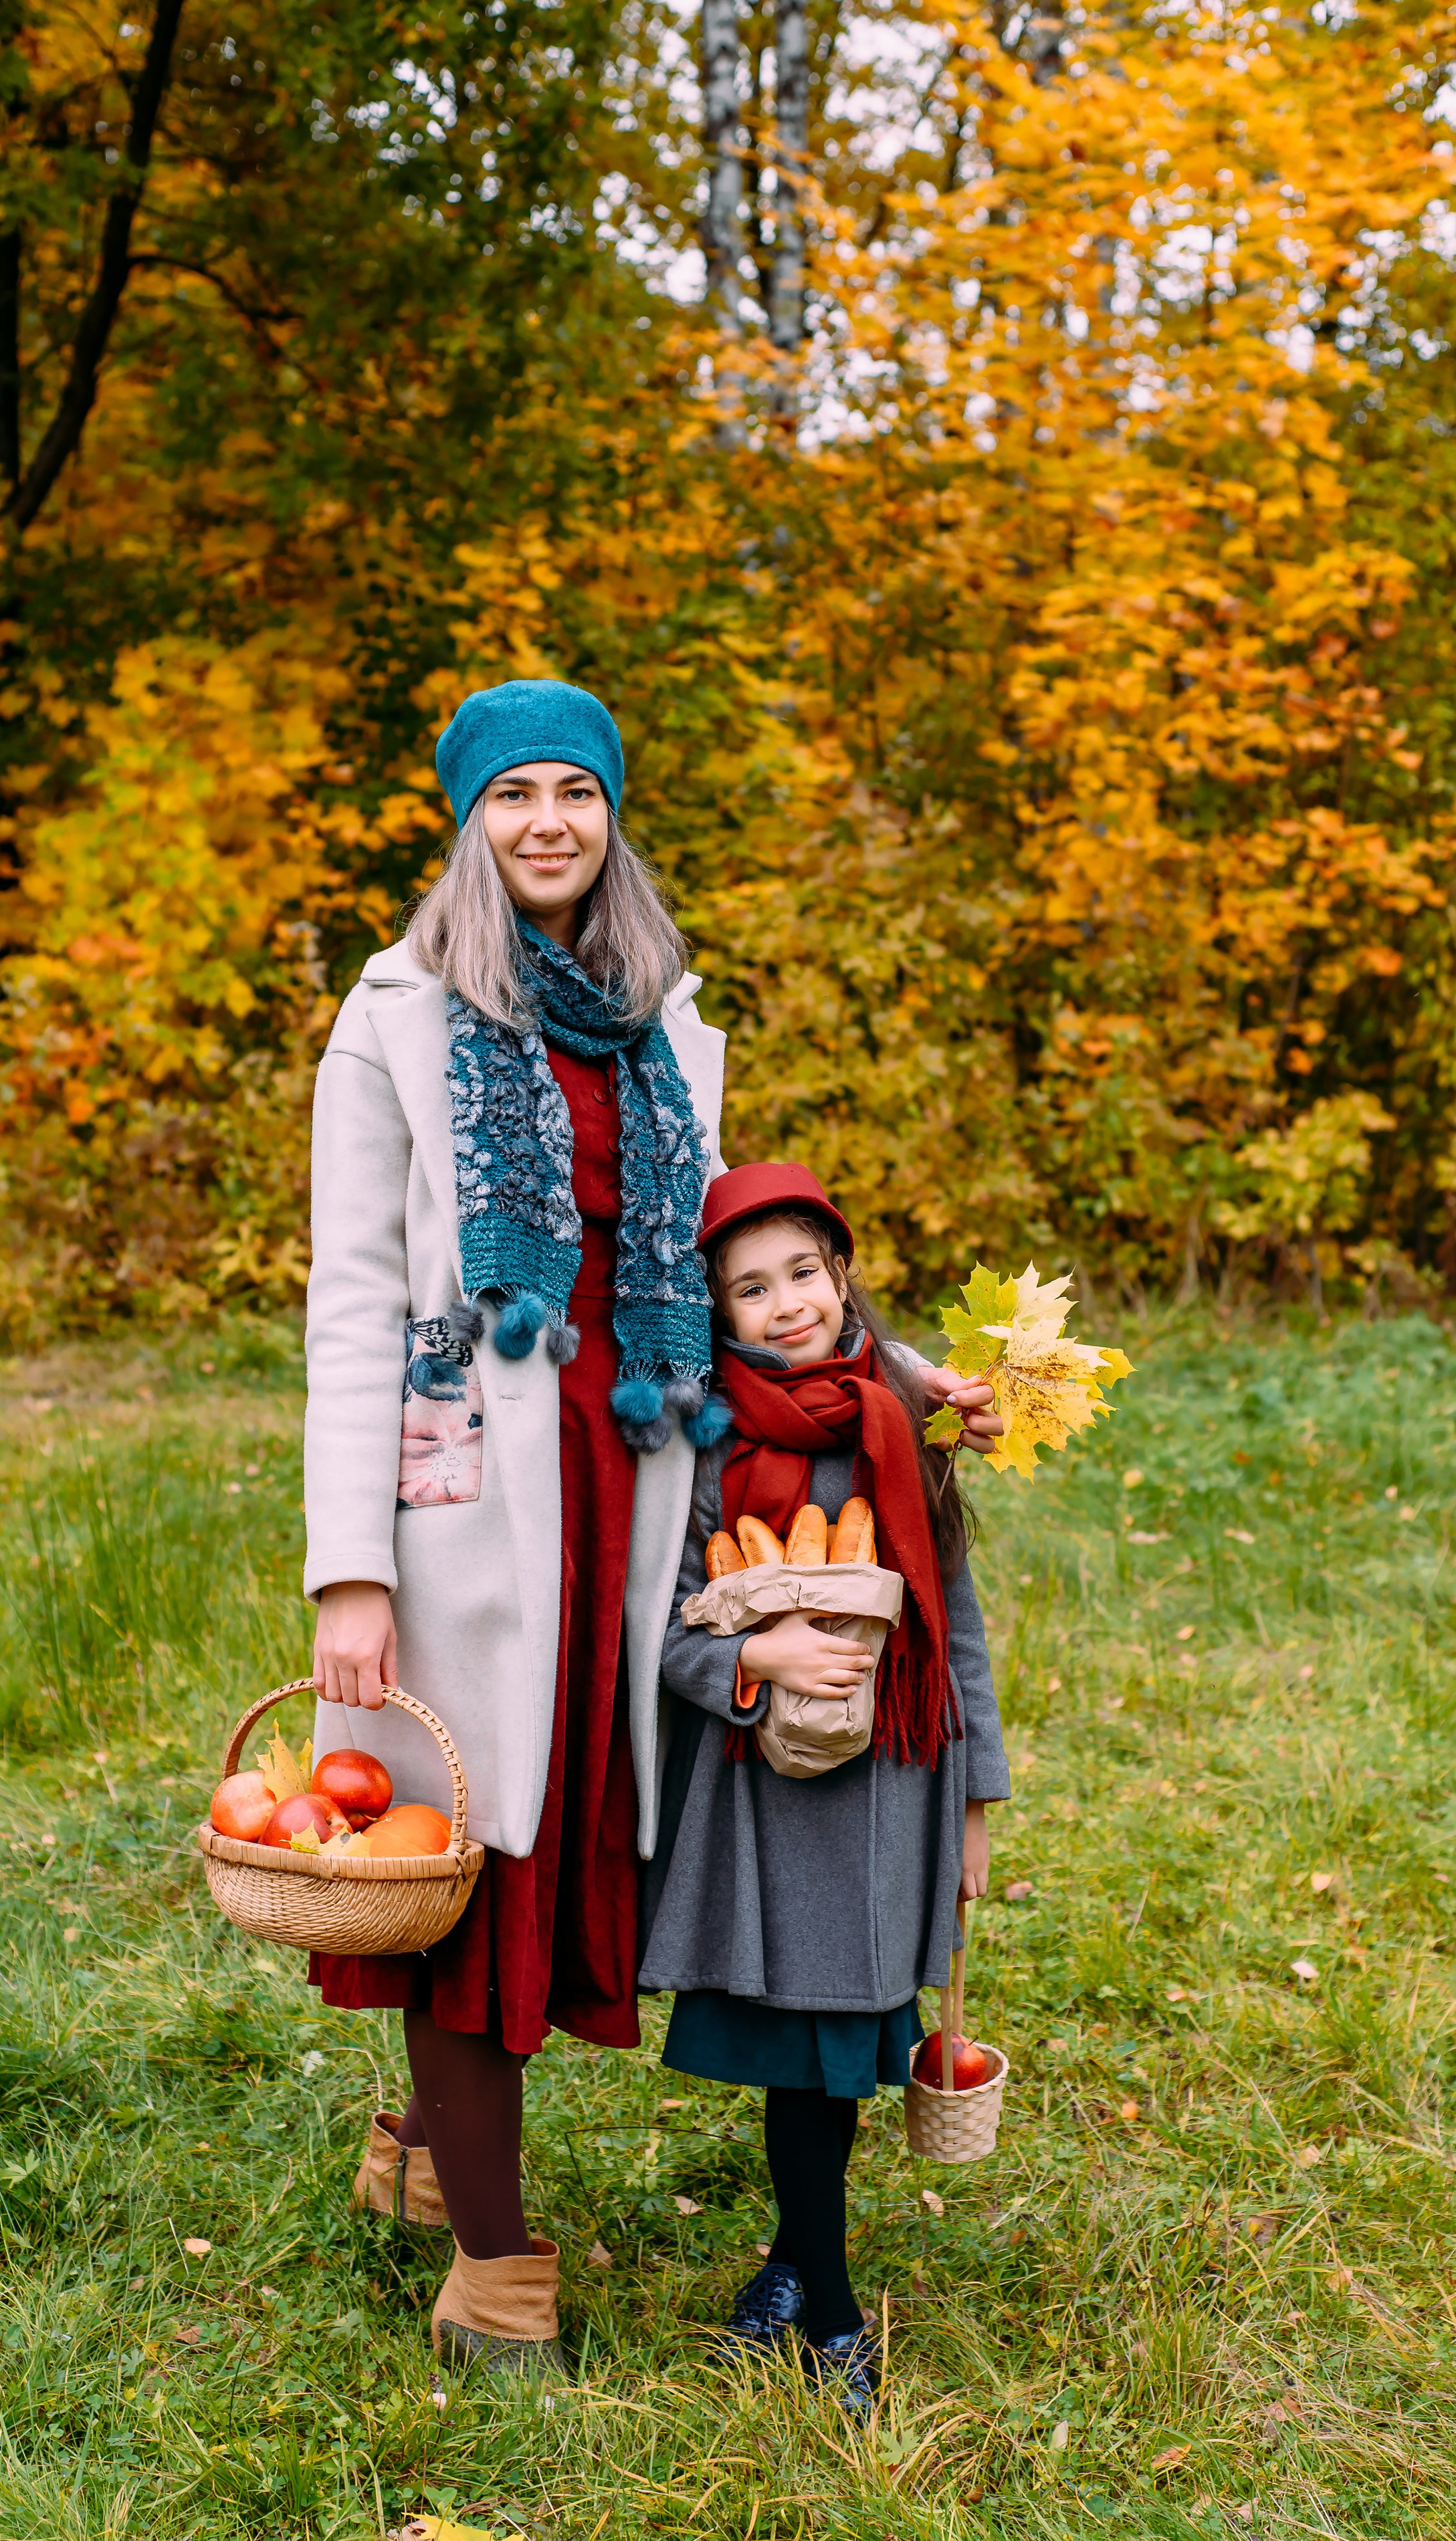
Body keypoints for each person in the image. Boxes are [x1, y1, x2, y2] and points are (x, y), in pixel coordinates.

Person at [302, 680, 1000, 2378]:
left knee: (595, 1831)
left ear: (611, 815)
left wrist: (892, 1371)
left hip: (649, 1481)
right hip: (471, 1499)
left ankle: (422, 2144)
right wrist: (351, 1568)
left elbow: (718, 1252)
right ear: (467, 820)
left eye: (577, 790)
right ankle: (495, 2267)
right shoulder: (392, 1018)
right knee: (471, 1858)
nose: (547, 819)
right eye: (512, 793)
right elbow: (355, 1300)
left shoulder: (664, 1021)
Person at [638, 1162, 1011, 2411]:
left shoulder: (901, 1415)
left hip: (896, 1782)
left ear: (841, 1275)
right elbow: (659, 1631)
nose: (785, 1304)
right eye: (751, 1289)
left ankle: (797, 2274)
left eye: (802, 1272)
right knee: (805, 2048)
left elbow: (953, 1619)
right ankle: (834, 2318)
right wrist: (752, 1653)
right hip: (764, 1790)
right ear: (719, 1313)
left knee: (841, 2044)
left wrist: (974, 1804)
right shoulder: (707, 1438)